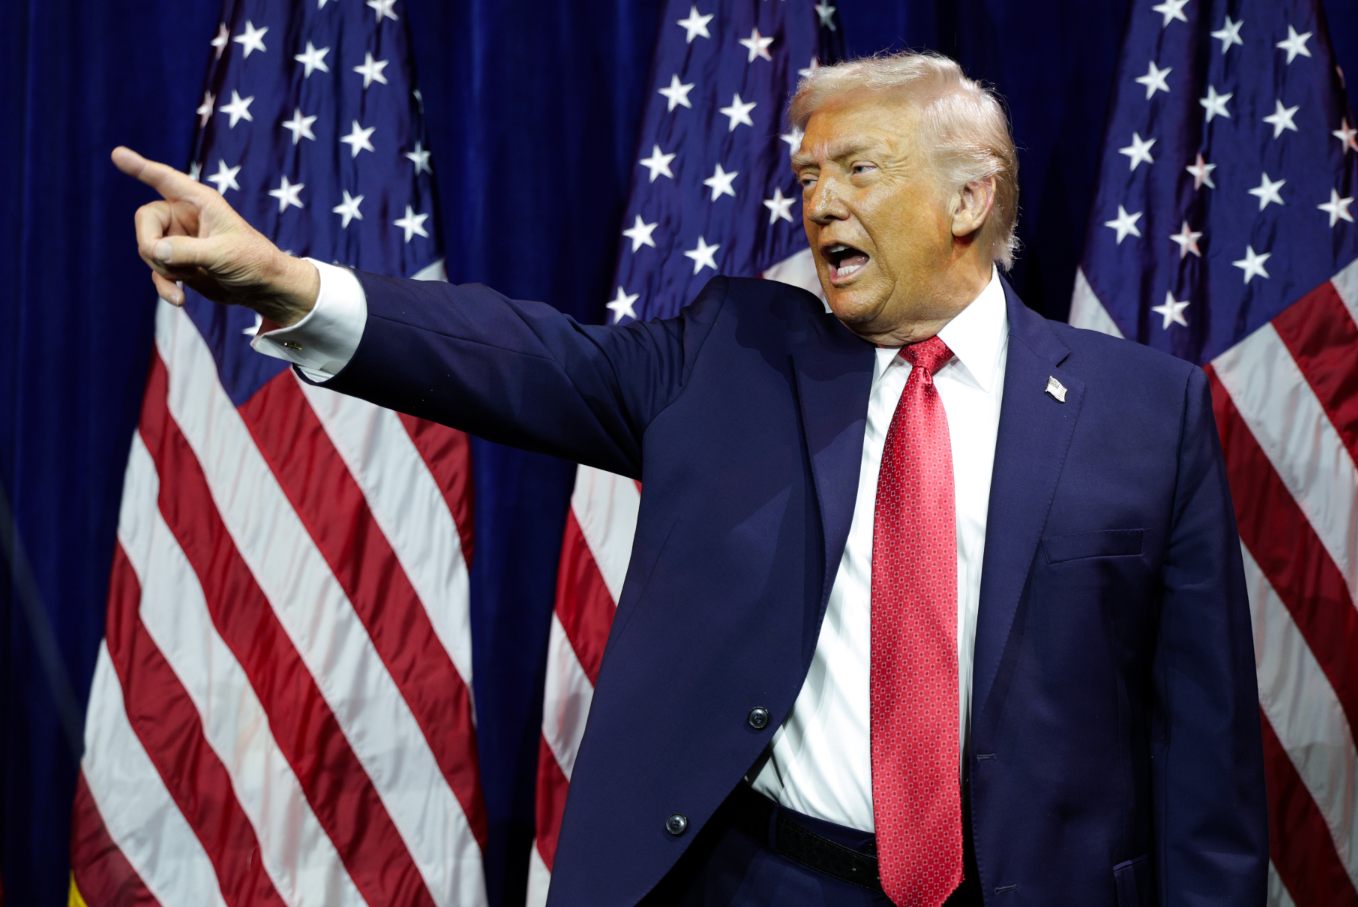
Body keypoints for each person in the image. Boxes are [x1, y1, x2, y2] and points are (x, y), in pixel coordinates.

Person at [116, 52, 1266, 907]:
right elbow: (519, 357)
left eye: (860, 168)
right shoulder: (736, 353)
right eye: (809, 174)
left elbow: (1205, 751)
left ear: (969, 200)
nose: (820, 202)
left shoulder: (1146, 412)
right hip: (762, 878)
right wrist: (281, 282)